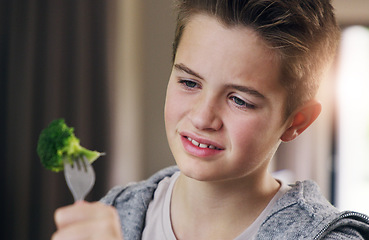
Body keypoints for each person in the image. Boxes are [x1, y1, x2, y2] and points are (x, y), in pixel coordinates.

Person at [51, 0, 369, 239]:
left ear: (296, 121)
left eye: (239, 100)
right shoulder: (114, 214)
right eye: (189, 83)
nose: (203, 118)